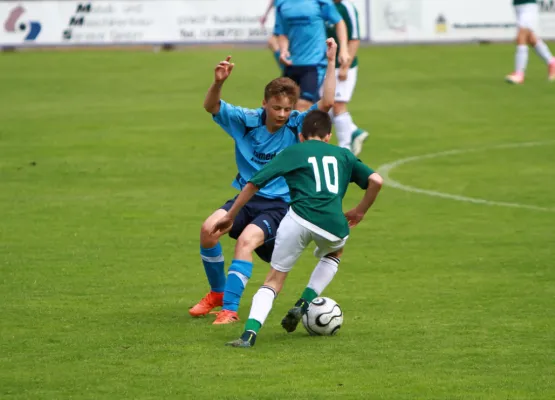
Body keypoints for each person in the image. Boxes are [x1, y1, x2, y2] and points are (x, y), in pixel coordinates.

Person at [189, 38, 338, 325]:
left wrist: (331, 60)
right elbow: (211, 106)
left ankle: (230, 311)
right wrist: (218, 82)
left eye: (287, 108)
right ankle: (218, 294)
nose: (282, 114)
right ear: (264, 104)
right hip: (246, 198)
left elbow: (327, 103)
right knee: (208, 230)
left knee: (245, 241)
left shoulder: (296, 124)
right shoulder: (246, 119)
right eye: (276, 108)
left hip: (279, 206)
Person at [211, 110, 383, 347]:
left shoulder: (292, 151)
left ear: (301, 136)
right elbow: (376, 181)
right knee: (334, 253)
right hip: (334, 224)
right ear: (328, 136)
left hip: (298, 220)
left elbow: (254, 183)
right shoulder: (343, 154)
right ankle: (304, 302)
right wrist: (360, 210)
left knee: (274, 280)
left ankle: (249, 335)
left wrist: (231, 214)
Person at [274, 0, 351, 111]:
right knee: (284, 108)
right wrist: (283, 50)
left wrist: (343, 49)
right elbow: (282, 32)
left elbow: (339, 22)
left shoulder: (321, 2)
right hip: (291, 64)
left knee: (302, 105)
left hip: (314, 64)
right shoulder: (281, 3)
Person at [324, 0, 369, 156]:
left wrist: (345, 66)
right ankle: (354, 131)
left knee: (338, 104)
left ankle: (345, 147)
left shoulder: (348, 8)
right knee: (326, 105)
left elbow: (354, 38)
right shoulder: (323, 5)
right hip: (325, 64)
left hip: (343, 64)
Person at [505, 0, 555, 84]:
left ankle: (519, 74)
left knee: (521, 36)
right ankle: (552, 62)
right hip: (517, 6)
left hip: (528, 6)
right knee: (531, 39)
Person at [259, 0, 283, 73]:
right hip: (280, 21)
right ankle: (286, 69)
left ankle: (288, 69)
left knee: (275, 43)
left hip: (285, 21)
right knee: (272, 42)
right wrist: (265, 15)